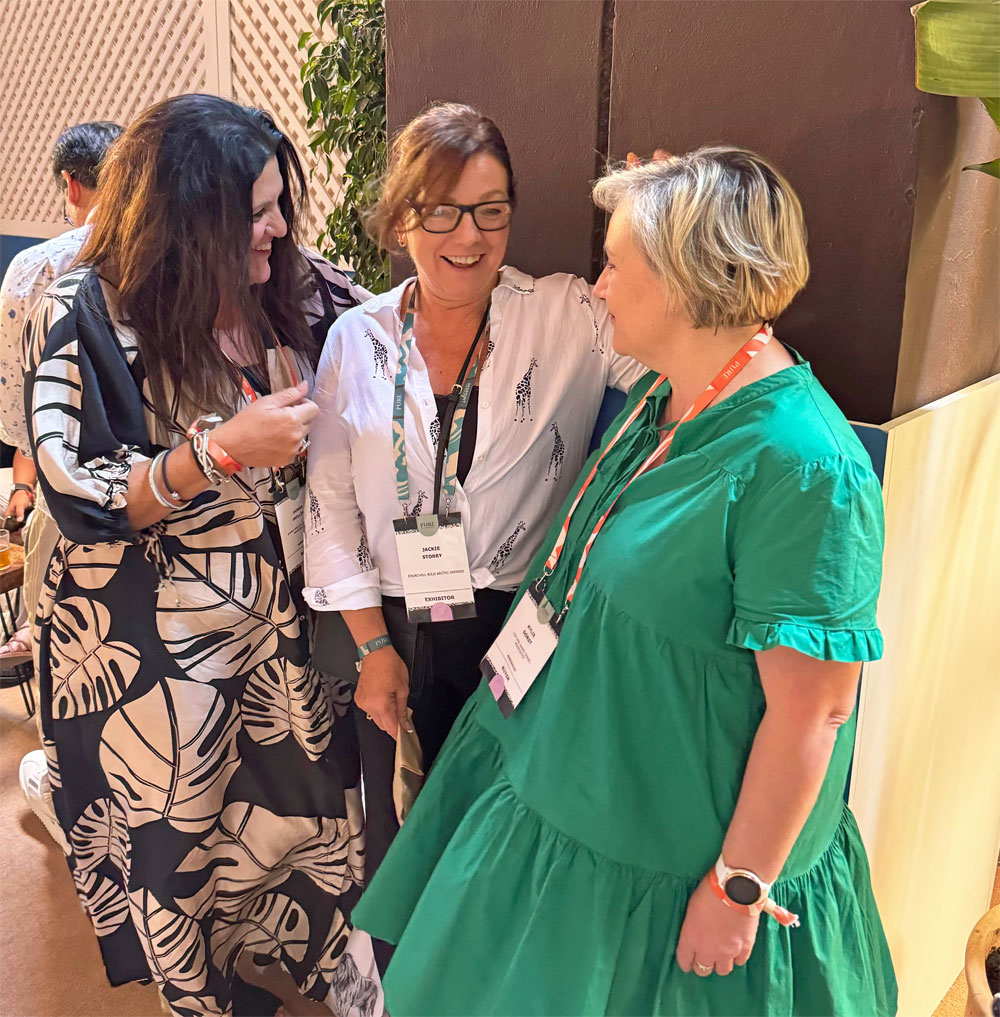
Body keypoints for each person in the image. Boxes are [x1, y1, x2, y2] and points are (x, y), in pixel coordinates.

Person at [351, 147, 898, 1016]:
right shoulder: (670, 396)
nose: (599, 287)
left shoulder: (805, 469)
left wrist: (738, 887)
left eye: (616, 263)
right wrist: (662, 192)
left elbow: (817, 712)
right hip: (576, 786)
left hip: (673, 862)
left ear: (686, 281)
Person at [23, 94, 377, 1017]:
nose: (280, 226)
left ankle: (324, 962)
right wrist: (218, 451)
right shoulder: (86, 311)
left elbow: (397, 324)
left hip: (275, 626)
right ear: (191, 215)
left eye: (278, 201)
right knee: (175, 838)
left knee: (310, 800)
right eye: (256, 210)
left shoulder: (292, 291)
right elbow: (74, 484)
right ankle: (206, 998)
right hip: (150, 652)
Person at [303, 102, 645, 919]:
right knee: (404, 842)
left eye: (491, 210)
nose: (470, 236)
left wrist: (663, 226)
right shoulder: (357, 341)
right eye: (443, 211)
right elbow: (331, 514)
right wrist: (373, 649)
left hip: (519, 626)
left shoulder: (570, 315)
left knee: (504, 841)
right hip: (395, 630)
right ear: (402, 219)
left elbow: (681, 347)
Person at [0, 120, 123, 847]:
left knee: (62, 644)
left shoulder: (34, 272)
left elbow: (19, 411)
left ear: (72, 186)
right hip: (155, 489)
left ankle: (72, 795)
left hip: (63, 489)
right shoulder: (172, 251)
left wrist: (22, 485)